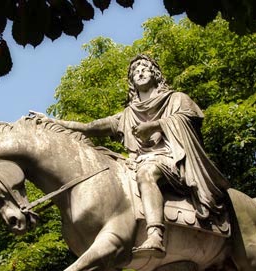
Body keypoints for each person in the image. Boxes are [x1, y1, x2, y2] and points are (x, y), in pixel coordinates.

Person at [34, 54, 229, 257]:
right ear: (132, 83)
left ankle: (155, 234)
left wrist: (156, 125)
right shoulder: (127, 114)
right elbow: (89, 127)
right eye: (135, 72)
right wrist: (54, 122)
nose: (140, 72)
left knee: (147, 172)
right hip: (136, 162)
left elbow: (189, 118)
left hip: (171, 160)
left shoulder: (176, 98)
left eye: (144, 68)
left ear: (155, 74)